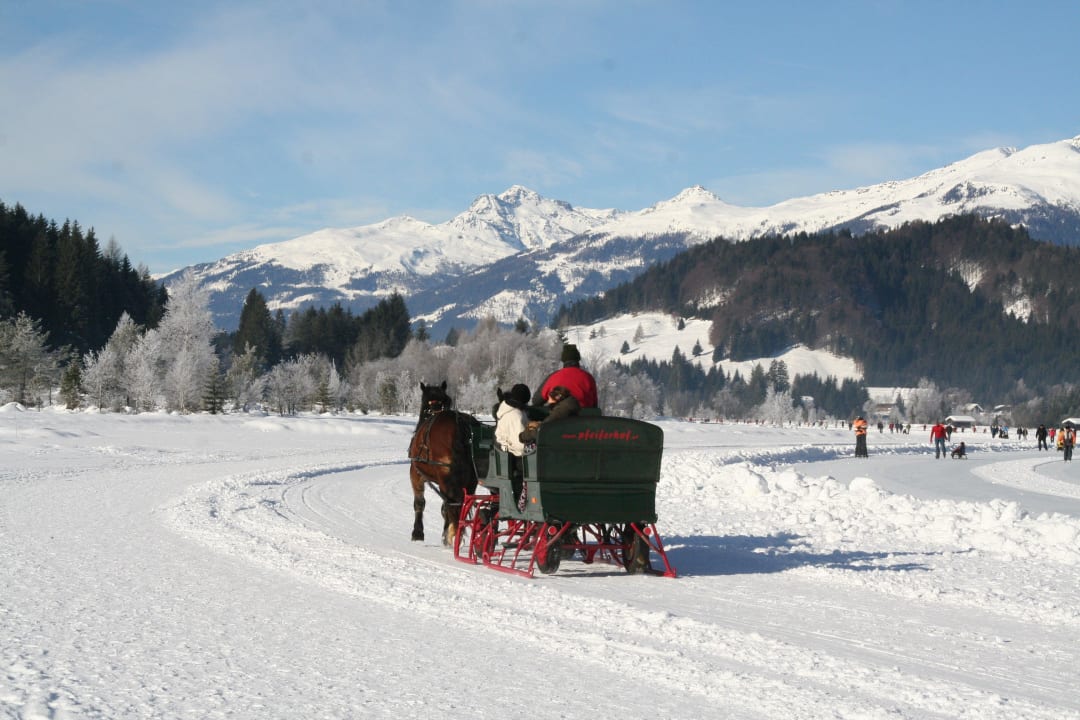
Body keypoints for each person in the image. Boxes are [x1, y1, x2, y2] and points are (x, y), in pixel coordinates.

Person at [493, 383, 533, 509]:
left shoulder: (511, 411)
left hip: (509, 453)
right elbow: (520, 445)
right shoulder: (517, 415)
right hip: (515, 456)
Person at [533, 344, 598, 409]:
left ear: (563, 360)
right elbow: (594, 405)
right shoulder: (588, 378)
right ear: (578, 360)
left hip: (558, 416)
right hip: (583, 417)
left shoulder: (553, 377)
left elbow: (536, 401)